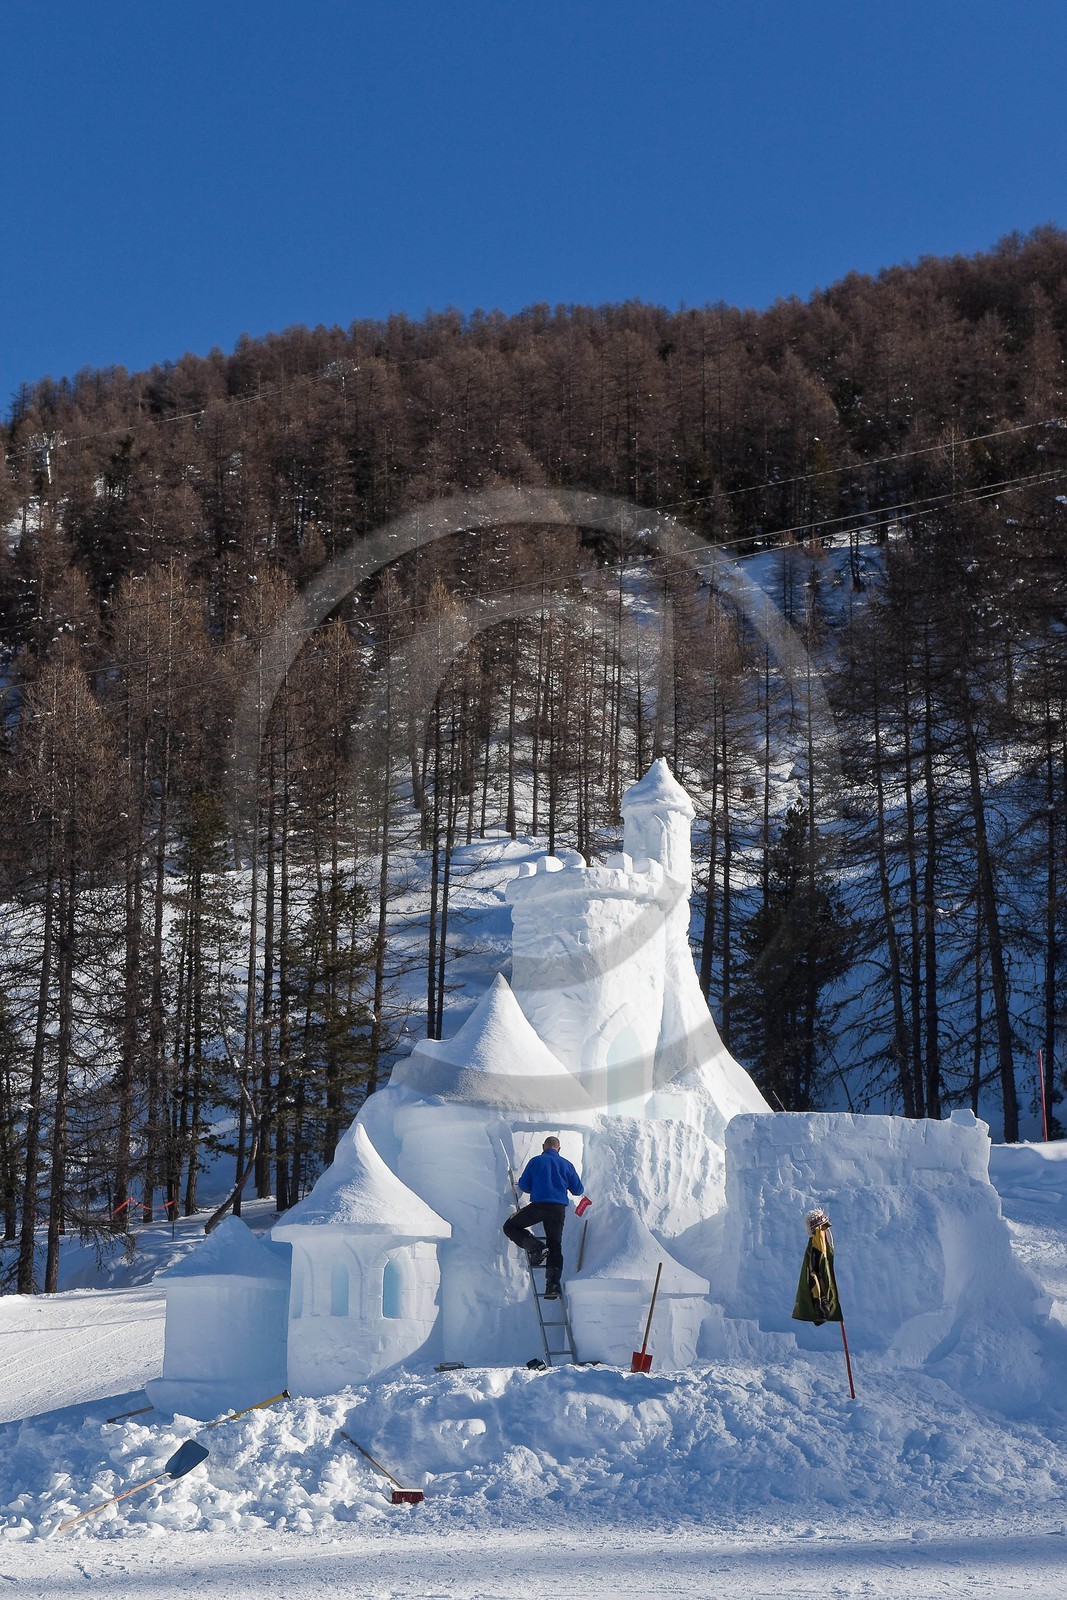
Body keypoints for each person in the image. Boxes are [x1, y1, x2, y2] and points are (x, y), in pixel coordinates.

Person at [503, 1136, 584, 1299]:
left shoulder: (536, 1161)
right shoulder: (567, 1165)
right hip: (558, 1210)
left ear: (543, 1147)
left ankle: (536, 1247)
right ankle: (552, 1286)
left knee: (510, 1226)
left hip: (539, 1206)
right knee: (555, 1245)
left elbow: (524, 1186)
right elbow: (578, 1190)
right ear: (559, 1149)